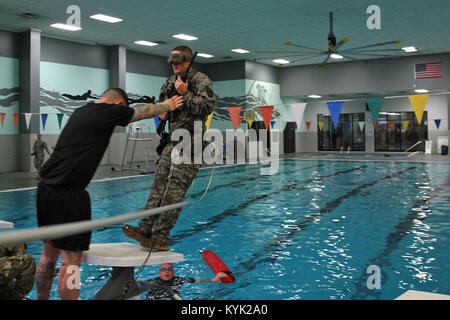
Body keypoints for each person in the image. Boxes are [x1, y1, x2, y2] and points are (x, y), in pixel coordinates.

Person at [34, 88, 184, 300]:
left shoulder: (82, 111)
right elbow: (142, 111)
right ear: (117, 105)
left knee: (48, 256)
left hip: (45, 189)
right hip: (69, 194)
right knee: (71, 261)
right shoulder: (109, 111)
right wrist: (168, 105)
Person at [122, 45, 216, 251]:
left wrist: (186, 94)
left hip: (191, 145)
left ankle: (161, 237)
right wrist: (162, 113)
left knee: (173, 192)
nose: (174, 65)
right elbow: (163, 106)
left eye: (179, 61)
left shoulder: (200, 80)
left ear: (188, 61)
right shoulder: (168, 83)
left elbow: (208, 107)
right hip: (172, 142)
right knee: (158, 186)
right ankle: (146, 228)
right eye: (172, 62)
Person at [145, 263, 227, 300]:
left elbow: (196, 280)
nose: (166, 271)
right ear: (160, 273)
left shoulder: (178, 280)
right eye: (164, 270)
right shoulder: (150, 281)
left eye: (169, 269)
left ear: (173, 272)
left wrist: (213, 280)